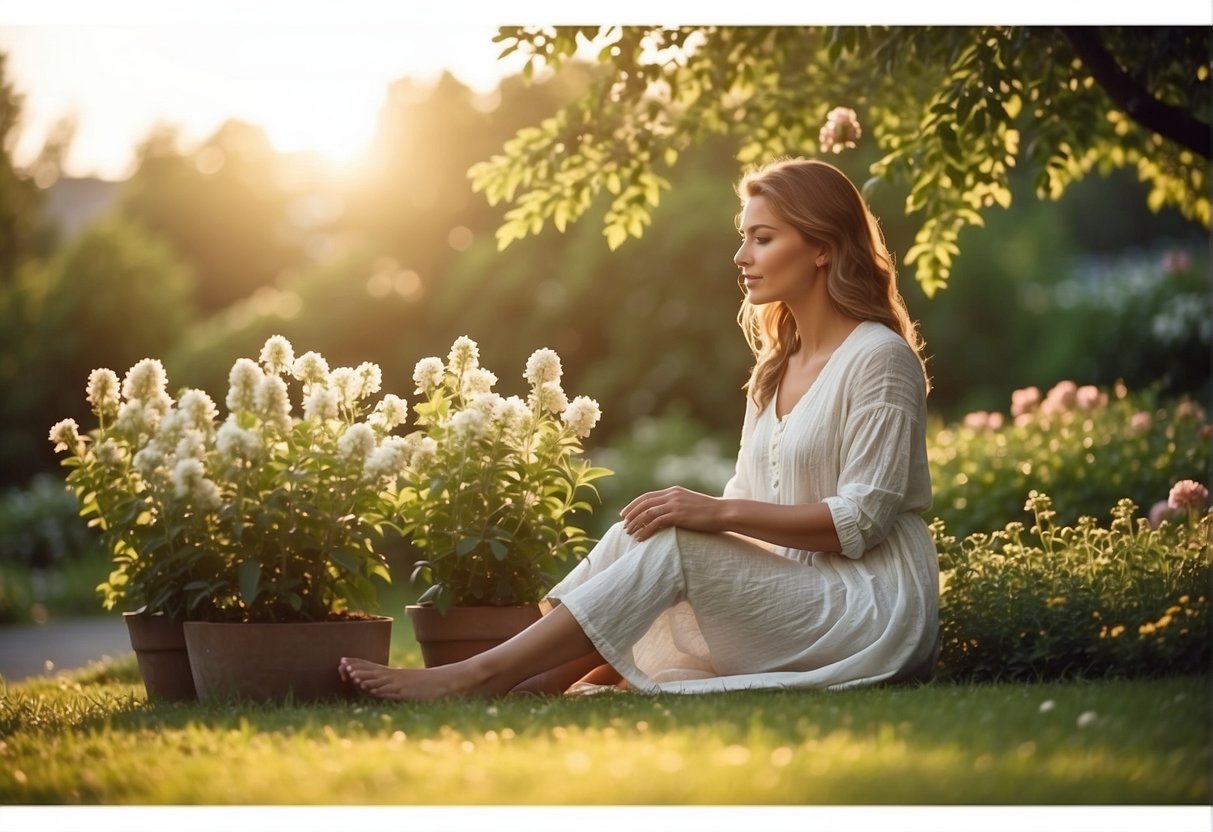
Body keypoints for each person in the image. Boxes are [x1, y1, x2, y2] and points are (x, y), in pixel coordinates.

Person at [340, 158, 940, 700]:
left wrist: (714, 516)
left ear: (821, 249)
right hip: (789, 594)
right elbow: (745, 496)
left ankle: (477, 675)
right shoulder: (775, 367)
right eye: (743, 238)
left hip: (868, 612)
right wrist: (698, 516)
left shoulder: (879, 359)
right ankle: (536, 681)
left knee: (680, 531)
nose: (741, 257)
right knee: (651, 524)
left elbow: (862, 521)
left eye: (763, 238)